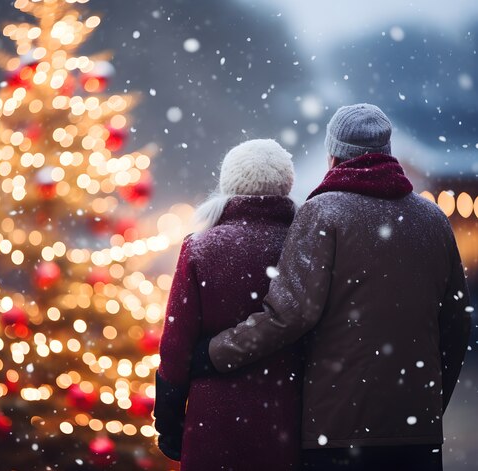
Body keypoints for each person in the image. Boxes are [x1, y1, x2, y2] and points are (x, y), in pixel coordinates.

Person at [191, 104, 472, 471]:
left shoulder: (324, 212)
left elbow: (290, 314)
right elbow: (456, 324)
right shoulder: (432, 219)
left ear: (333, 155)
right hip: (417, 433)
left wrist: (214, 353)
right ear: (389, 153)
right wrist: (427, 404)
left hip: (338, 431)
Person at [154, 139, 303, 470]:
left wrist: (169, 422)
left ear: (229, 184)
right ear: (286, 184)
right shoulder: (305, 247)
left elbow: (176, 346)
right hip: (286, 419)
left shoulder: (201, 247)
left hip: (213, 423)